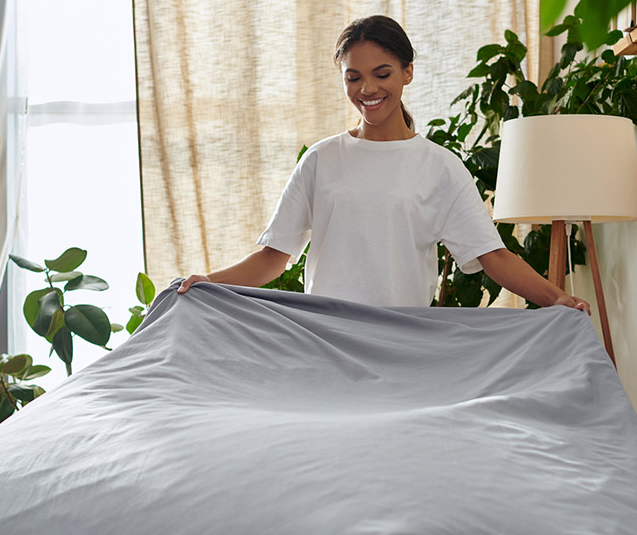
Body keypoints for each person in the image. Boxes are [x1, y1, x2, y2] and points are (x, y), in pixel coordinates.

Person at [178, 15, 590, 313]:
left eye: (382, 73)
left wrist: (559, 299)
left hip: (402, 339)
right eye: (353, 77)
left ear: (407, 72)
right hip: (325, 336)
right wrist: (208, 282)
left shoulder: (441, 167)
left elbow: (493, 257)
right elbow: (273, 258)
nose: (367, 89)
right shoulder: (321, 159)